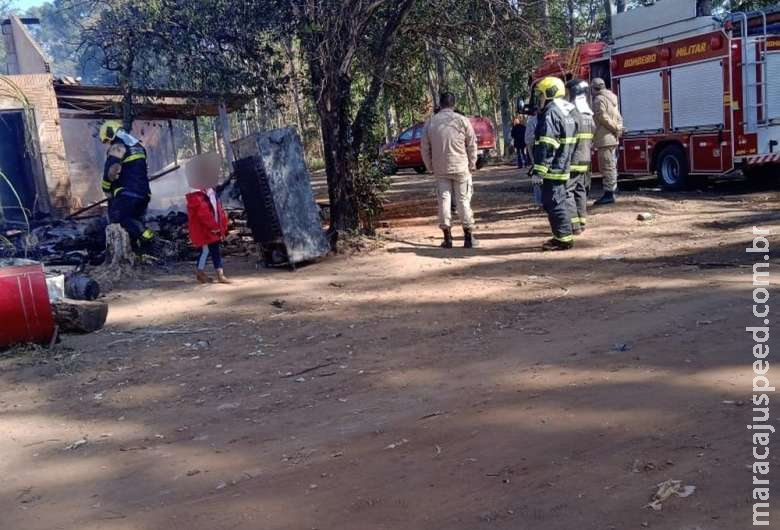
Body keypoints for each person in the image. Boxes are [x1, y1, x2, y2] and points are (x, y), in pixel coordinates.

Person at [421, 91, 479, 249]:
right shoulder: (462, 120)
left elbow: (425, 148)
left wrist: (430, 166)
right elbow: (472, 144)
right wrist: (472, 164)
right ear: (454, 104)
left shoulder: (431, 122)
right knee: (463, 201)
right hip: (461, 167)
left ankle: (447, 238)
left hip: (440, 168)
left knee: (444, 201)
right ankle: (468, 237)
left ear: (440, 104)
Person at [529, 77, 578, 251]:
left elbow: (547, 144)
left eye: (540, 95)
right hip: (563, 163)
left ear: (549, 94)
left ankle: (563, 239)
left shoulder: (551, 112)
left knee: (554, 202)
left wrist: (539, 172)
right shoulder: (567, 110)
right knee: (558, 200)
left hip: (553, 168)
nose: (539, 100)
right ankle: (561, 236)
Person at [99, 120, 158, 253]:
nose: (107, 144)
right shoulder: (139, 147)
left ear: (110, 133)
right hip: (144, 194)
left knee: (119, 219)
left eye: (107, 140)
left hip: (127, 193)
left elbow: (113, 169)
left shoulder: (118, 147)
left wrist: (106, 188)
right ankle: (141, 255)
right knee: (135, 223)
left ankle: (150, 238)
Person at [566, 79, 596, 235]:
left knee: (567, 191)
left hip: (573, 160)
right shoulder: (588, 114)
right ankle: (582, 222)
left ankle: (574, 226)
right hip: (586, 159)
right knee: (581, 190)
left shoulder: (572, 113)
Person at [186, 180, 231, 284]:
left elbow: (218, 210)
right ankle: (204, 273)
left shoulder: (210, 191)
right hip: (204, 229)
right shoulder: (196, 194)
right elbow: (203, 213)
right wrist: (214, 226)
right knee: (206, 250)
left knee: (212, 249)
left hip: (211, 227)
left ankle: (217, 274)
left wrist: (221, 225)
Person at [591, 78, 623, 206]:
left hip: (604, 139)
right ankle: (611, 191)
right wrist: (618, 128)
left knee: (607, 167)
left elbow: (601, 117)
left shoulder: (599, 100)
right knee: (611, 165)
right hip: (613, 138)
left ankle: (609, 194)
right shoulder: (612, 98)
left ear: (595, 88)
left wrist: (614, 128)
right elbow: (619, 117)